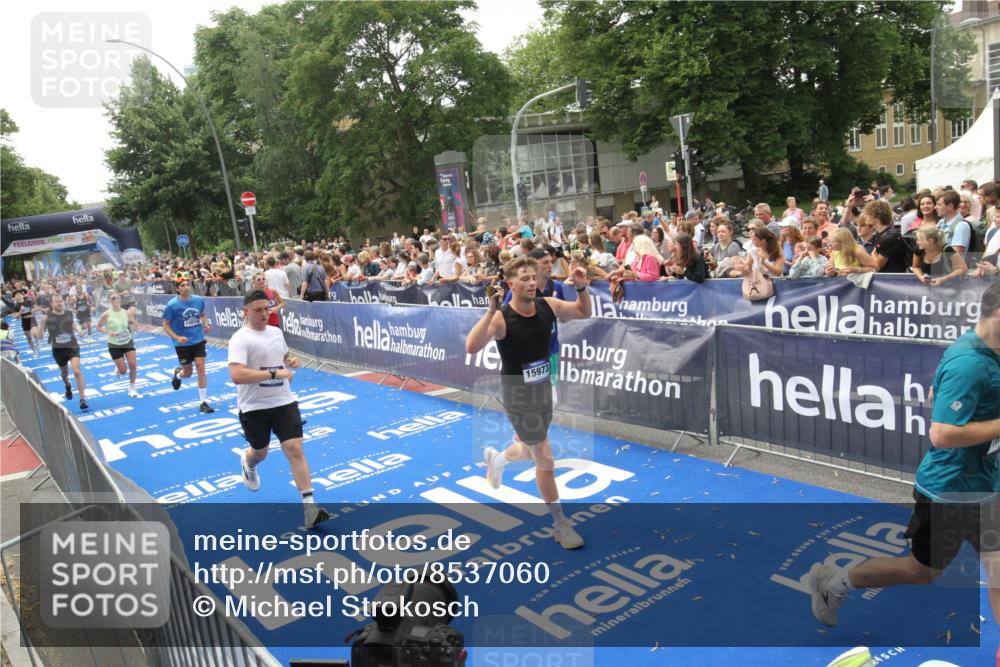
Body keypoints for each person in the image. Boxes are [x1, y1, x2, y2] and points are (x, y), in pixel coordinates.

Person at [807, 281, 1000, 629]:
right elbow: (941, 433)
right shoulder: (969, 362)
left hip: (986, 484)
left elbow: (933, 394)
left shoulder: (987, 348)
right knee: (921, 571)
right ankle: (834, 583)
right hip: (950, 491)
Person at [465, 259, 593, 549]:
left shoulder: (548, 304)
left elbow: (584, 311)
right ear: (511, 285)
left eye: (533, 277)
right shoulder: (502, 318)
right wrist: (490, 311)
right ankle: (561, 524)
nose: (531, 282)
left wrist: (582, 287)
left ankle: (496, 461)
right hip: (517, 394)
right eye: (524, 278)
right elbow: (471, 346)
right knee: (545, 458)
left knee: (529, 449)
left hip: (543, 389)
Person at [229, 289, 331, 529]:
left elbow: (284, 356)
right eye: (258, 310)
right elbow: (237, 375)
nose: (265, 313)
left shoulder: (276, 332)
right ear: (246, 312)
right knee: (260, 452)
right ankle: (248, 462)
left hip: (283, 401)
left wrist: (290, 361)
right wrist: (275, 372)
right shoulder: (240, 339)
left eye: (267, 308)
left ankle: (310, 508)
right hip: (254, 406)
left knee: (294, 448)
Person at [162, 277, 215, 413]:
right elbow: (165, 325)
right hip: (182, 344)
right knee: (188, 373)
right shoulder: (172, 305)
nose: (186, 287)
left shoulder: (198, 300)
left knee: (201, 367)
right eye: (183, 285)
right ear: (177, 289)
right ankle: (178, 375)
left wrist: (206, 323)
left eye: (187, 284)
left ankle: (203, 402)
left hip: (198, 339)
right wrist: (177, 337)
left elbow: (202, 315)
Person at [43, 293, 88, 410]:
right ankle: (67, 385)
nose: (59, 303)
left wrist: (79, 330)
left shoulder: (68, 312)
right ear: (52, 304)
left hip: (72, 345)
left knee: (77, 371)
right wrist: (42, 322)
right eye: (56, 302)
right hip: (58, 349)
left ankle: (82, 399)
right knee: (64, 374)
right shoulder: (49, 317)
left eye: (60, 301)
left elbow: (73, 324)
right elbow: (39, 335)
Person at [97, 293, 140, 397]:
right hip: (114, 344)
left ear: (120, 301)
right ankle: (118, 367)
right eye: (112, 298)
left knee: (133, 364)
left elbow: (133, 322)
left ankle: (132, 387)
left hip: (127, 341)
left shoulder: (126, 312)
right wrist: (109, 332)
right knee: (123, 371)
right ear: (109, 301)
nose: (115, 299)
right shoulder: (106, 314)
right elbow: (98, 327)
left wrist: (135, 327)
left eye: (117, 298)